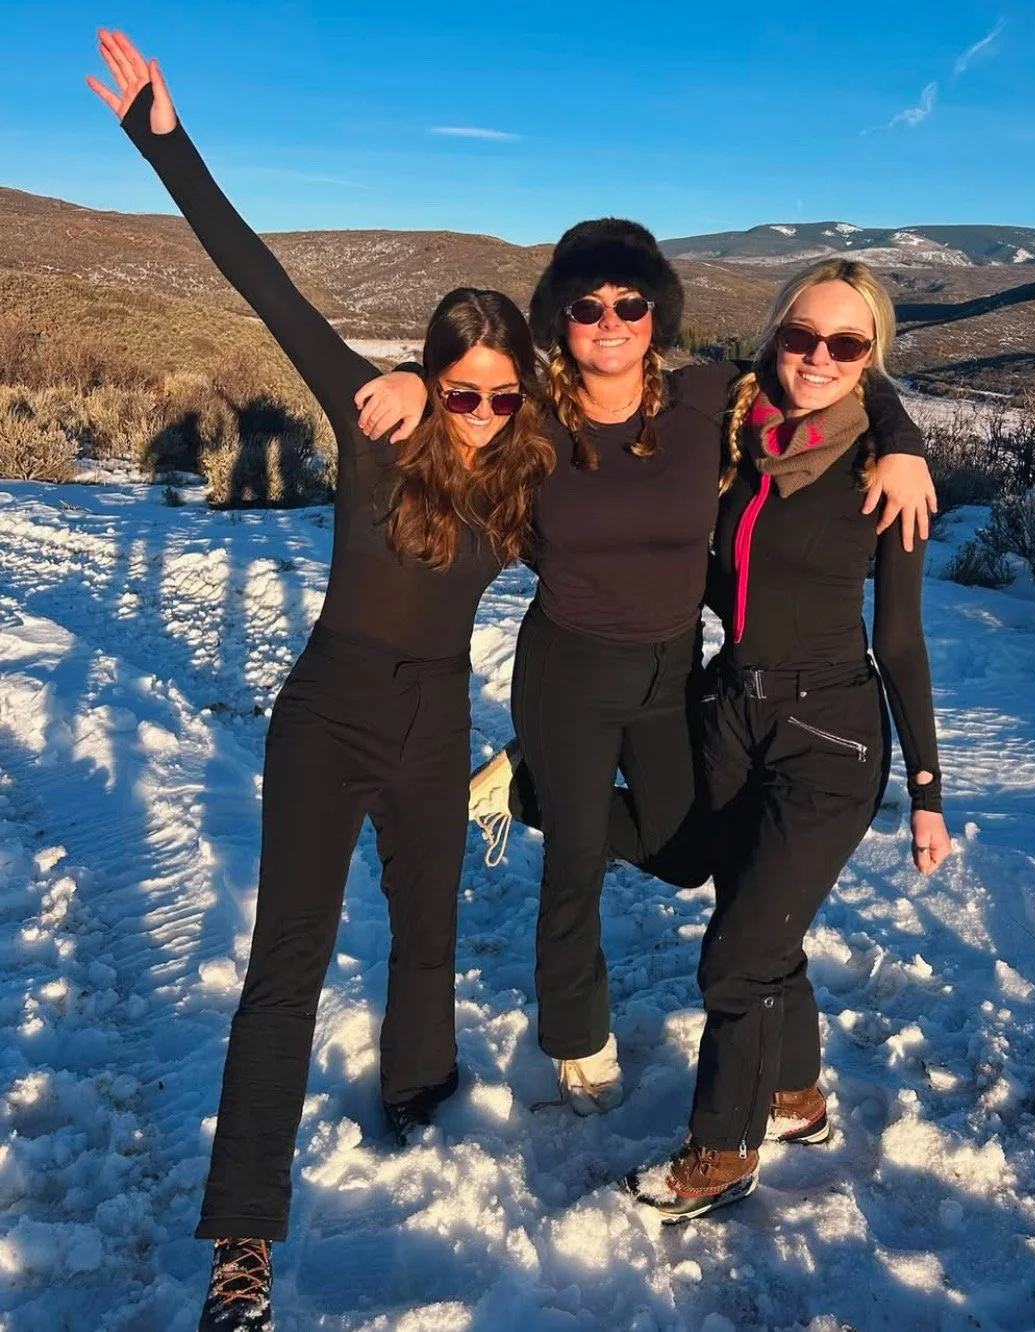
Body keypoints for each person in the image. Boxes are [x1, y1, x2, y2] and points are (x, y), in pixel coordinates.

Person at [88, 30, 554, 1331]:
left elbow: (646, 447)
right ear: (430, 375)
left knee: (428, 928)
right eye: (459, 386)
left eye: (499, 393)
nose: (477, 408)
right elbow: (263, 282)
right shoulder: (372, 409)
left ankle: (414, 1091)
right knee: (286, 964)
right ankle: (244, 1245)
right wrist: (162, 140)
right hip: (330, 706)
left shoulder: (529, 470)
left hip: (435, 716)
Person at [354, 223, 937, 1118]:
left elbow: (827, 364)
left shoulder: (708, 397)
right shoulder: (530, 417)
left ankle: (524, 793)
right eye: (587, 307)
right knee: (577, 868)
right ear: (561, 320)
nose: (611, 321)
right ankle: (576, 1040)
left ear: (657, 311)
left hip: (671, 665)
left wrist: (901, 438)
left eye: (630, 303)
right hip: (567, 670)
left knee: (687, 852)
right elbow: (461, 391)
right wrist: (408, 379)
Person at [627, 259, 953, 1221]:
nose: (818, 357)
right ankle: (795, 1097)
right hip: (734, 708)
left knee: (735, 955)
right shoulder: (736, 429)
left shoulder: (883, 474)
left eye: (847, 344)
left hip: (830, 735)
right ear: (773, 335)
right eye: (801, 336)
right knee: (764, 933)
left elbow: (899, 639)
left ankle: (720, 1151)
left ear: (871, 359)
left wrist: (928, 791)